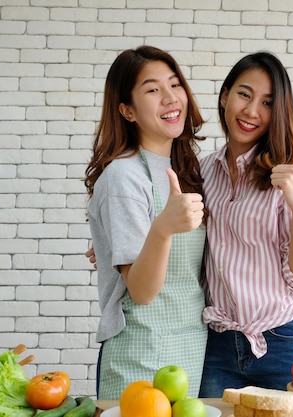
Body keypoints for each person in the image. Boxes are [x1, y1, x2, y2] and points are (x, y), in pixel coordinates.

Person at [197, 51, 293, 397]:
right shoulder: (204, 171)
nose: (252, 111)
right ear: (225, 95)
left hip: (286, 338)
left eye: (268, 102)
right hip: (219, 344)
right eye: (244, 94)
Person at [83, 46, 208, 400]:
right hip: (140, 353)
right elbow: (142, 291)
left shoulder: (189, 171)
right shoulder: (123, 176)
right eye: (153, 90)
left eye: (175, 84)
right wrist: (162, 228)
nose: (171, 98)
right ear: (127, 110)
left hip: (192, 348)